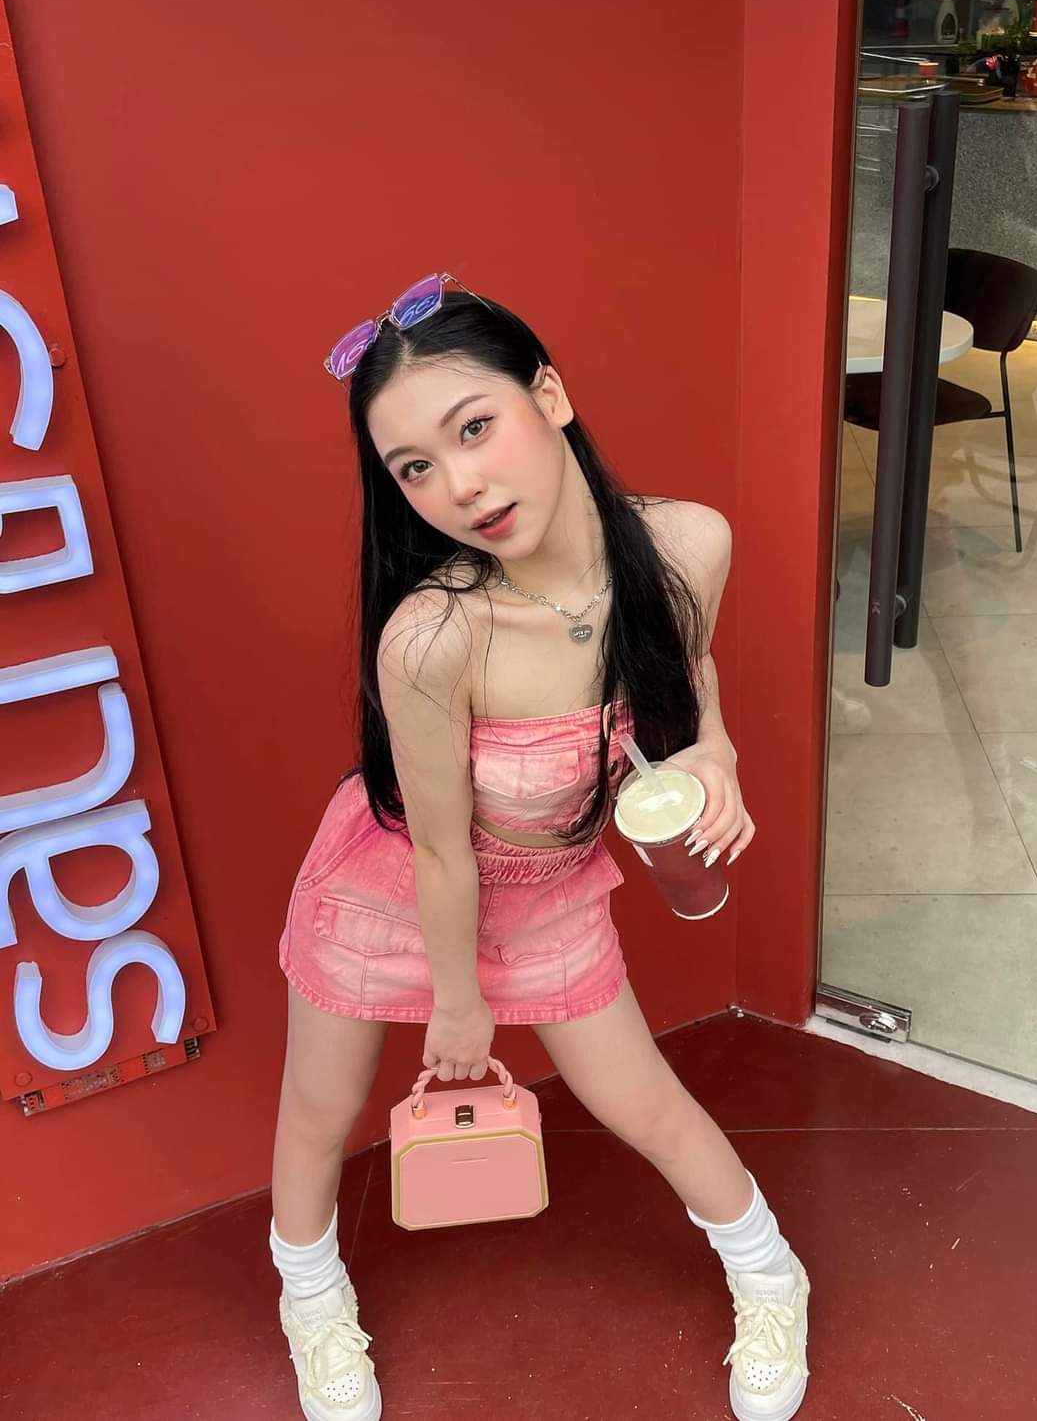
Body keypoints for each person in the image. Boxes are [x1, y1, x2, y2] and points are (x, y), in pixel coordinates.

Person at [268, 273, 810, 1421]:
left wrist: (715, 752)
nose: (458, 484)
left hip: (552, 887)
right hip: (394, 892)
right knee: (319, 1112)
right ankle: (310, 1303)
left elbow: (684, 666)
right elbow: (439, 854)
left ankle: (771, 1273)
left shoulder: (688, 545)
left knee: (644, 1101)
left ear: (550, 396)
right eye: (415, 466)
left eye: (474, 427)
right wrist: (459, 1003)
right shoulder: (432, 638)